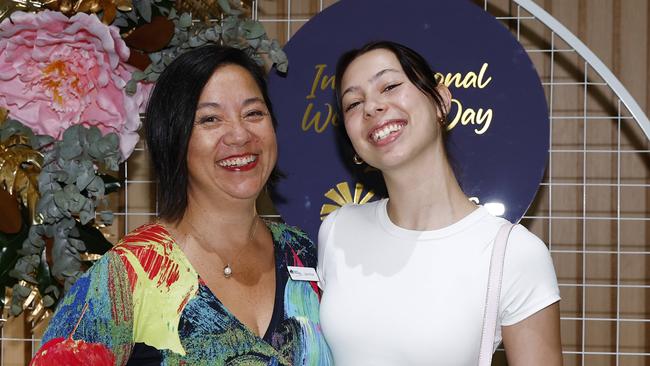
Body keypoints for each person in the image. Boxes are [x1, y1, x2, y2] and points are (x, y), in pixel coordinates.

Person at [35, 45, 332, 365]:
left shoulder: (303, 254)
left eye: (253, 113)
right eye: (210, 119)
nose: (239, 134)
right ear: (175, 138)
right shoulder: (132, 271)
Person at [317, 41, 562, 365]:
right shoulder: (337, 231)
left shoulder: (514, 253)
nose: (372, 107)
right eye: (353, 103)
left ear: (440, 101)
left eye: (389, 86)